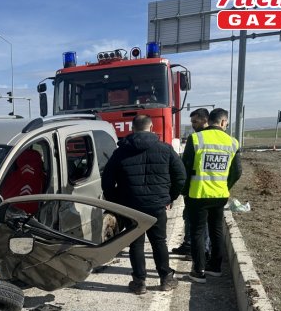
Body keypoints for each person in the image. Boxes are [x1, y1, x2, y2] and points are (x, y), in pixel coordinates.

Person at [102, 115, 186, 294]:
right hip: (157, 206)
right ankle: (166, 279)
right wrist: (169, 197)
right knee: (159, 242)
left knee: (135, 243)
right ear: (151, 127)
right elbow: (181, 176)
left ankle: (139, 283)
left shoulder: (120, 152)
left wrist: (117, 202)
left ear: (132, 128)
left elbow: (107, 181)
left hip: (131, 207)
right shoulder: (165, 149)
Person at [182, 108, 242, 283]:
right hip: (220, 194)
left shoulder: (196, 138)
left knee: (197, 231)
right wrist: (225, 185)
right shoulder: (232, 142)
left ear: (209, 121)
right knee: (216, 230)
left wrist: (184, 191)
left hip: (198, 194)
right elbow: (237, 171)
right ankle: (215, 267)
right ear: (223, 122)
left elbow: (185, 168)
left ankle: (199, 270)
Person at [172, 108, 211, 257]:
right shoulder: (212, 138)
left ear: (205, 120)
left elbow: (186, 166)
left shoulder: (196, 139)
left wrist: (183, 188)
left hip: (198, 189)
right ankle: (189, 245)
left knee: (200, 222)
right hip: (207, 188)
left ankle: (202, 251)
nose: (193, 125)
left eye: (195, 121)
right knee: (189, 217)